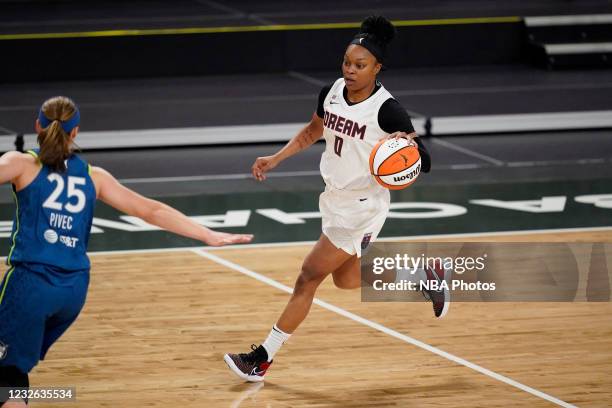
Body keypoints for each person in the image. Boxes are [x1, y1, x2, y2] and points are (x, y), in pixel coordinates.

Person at [224, 16, 447, 383]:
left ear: (377, 68)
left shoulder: (387, 109)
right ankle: (423, 275)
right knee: (345, 280)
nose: (350, 70)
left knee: (308, 277)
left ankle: (262, 358)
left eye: (360, 65)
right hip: (335, 198)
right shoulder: (330, 92)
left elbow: (423, 161)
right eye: (347, 62)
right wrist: (275, 158)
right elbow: (314, 130)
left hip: (362, 206)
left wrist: (407, 150)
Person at [0, 96, 253, 407]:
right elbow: (151, 210)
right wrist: (207, 234)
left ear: (37, 125)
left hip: (31, 283)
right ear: (76, 132)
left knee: (7, 372)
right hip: (73, 290)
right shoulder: (94, 176)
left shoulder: (21, 163)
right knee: (11, 366)